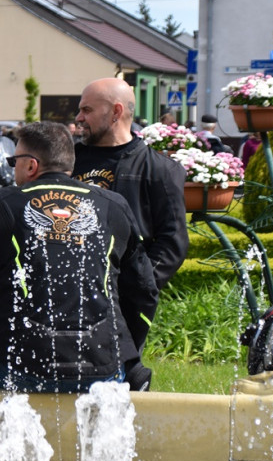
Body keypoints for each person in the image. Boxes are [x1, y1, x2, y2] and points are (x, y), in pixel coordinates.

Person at [0, 122, 159, 393]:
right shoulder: (113, 205)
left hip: (13, 365)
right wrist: (125, 355)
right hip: (100, 367)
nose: (12, 167)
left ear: (31, 165)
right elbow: (145, 291)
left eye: (13, 160)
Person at [73, 78, 187, 389]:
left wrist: (140, 285)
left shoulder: (160, 170)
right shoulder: (68, 160)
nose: (78, 117)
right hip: (65, 293)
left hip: (124, 303)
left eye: (86, 109)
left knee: (114, 382)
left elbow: (173, 241)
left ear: (115, 112)